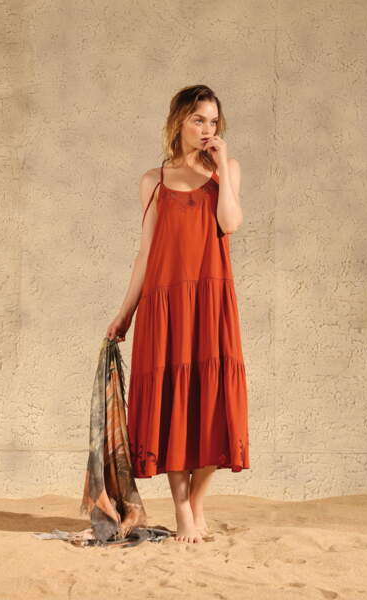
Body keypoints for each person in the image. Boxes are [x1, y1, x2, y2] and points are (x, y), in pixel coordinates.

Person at [106, 85, 250, 544]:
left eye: (213, 121)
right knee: (172, 402)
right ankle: (182, 508)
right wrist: (125, 313)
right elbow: (146, 253)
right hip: (164, 305)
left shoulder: (227, 170)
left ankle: (199, 504)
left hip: (211, 300)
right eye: (198, 120)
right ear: (179, 122)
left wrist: (222, 169)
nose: (207, 129)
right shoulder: (154, 180)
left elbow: (229, 223)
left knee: (214, 403)